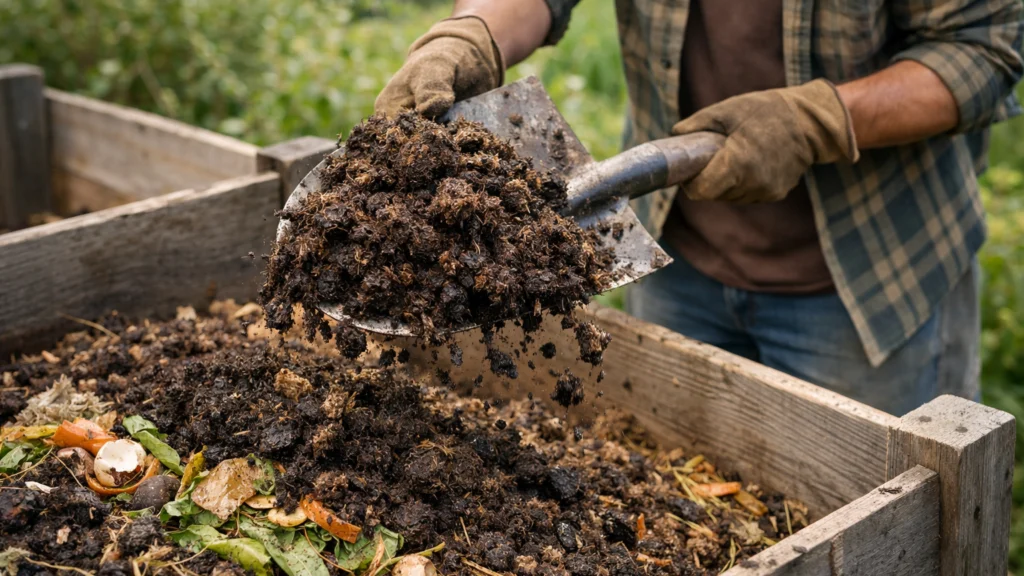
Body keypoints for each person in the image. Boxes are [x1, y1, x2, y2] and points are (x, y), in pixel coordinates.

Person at [374, 0, 1024, 417]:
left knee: (872, 522)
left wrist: (822, 118)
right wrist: (471, 35)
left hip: (869, 285)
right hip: (677, 259)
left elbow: (982, 48)